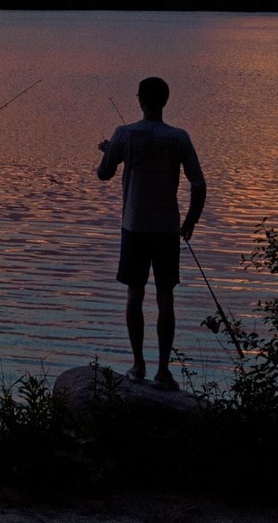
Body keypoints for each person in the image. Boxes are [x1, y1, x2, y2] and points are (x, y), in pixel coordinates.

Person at [96, 76, 206, 391]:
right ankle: (163, 371)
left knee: (134, 295)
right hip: (167, 230)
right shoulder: (179, 137)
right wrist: (191, 220)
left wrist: (108, 151)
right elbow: (198, 184)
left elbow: (104, 174)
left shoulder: (124, 134)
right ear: (165, 101)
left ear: (140, 100)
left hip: (134, 227)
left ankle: (138, 365)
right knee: (166, 297)